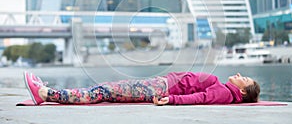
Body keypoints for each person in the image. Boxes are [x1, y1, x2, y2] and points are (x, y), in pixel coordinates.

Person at [23, 71, 260, 105]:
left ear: (241, 91)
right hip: (157, 85)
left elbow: (199, 98)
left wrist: (172, 100)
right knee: (105, 89)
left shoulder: (223, 92)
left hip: (158, 89)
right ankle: (49, 91)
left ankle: (45, 93)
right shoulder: (223, 88)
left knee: (103, 91)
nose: (240, 75)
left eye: (245, 79)